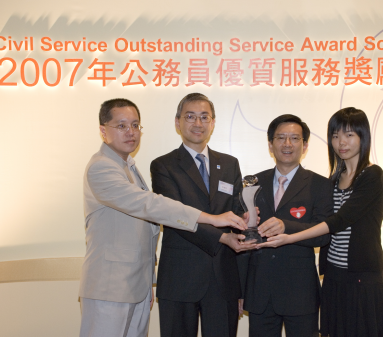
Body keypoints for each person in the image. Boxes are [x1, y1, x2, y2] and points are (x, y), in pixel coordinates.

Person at [79, 98, 247, 337]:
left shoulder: (127, 167)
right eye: (122, 126)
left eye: (135, 125)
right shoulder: (103, 167)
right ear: (103, 130)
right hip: (111, 286)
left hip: (136, 285)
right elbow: (152, 205)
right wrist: (211, 218)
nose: (131, 132)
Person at [259, 107, 383, 337]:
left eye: (349, 135)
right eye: (335, 136)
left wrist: (289, 236)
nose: (341, 142)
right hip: (333, 277)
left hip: (362, 278)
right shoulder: (333, 180)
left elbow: (338, 221)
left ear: (363, 137)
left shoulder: (372, 175)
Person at [150, 93, 257, 337]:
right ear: (178, 122)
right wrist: (222, 237)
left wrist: (248, 216)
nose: (198, 123)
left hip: (223, 279)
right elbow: (174, 216)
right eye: (190, 117)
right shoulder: (163, 165)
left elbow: (236, 211)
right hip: (180, 277)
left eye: (204, 117)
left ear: (213, 122)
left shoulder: (229, 163)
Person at [239, 114, 333, 337]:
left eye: (294, 138)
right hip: (260, 291)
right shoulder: (252, 183)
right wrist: (240, 289)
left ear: (305, 145)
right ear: (271, 144)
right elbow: (242, 240)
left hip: (300, 293)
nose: (287, 144)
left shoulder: (320, 185)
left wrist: (286, 226)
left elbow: (324, 235)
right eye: (281, 138)